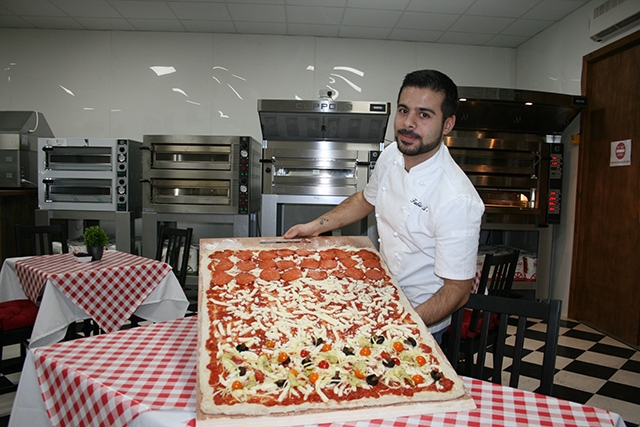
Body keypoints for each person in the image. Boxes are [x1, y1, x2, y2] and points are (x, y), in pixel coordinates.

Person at [284, 69, 485, 344]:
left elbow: (457, 291)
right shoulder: (392, 154)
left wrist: (403, 322)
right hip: (381, 293)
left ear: (448, 124)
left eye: (424, 115)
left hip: (421, 318)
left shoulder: (458, 199)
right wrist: (314, 227)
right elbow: (366, 199)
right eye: (404, 110)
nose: (408, 123)